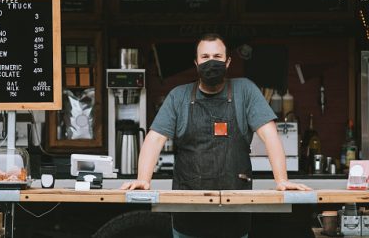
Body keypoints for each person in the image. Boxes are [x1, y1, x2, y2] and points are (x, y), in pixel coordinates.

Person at [121, 33, 311, 238]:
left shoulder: (245, 90)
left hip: (235, 210)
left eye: (217, 56)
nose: (211, 62)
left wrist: (281, 180)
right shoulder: (179, 96)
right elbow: (155, 139)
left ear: (228, 62)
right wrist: (143, 179)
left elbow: (270, 135)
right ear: (196, 63)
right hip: (188, 212)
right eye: (205, 57)